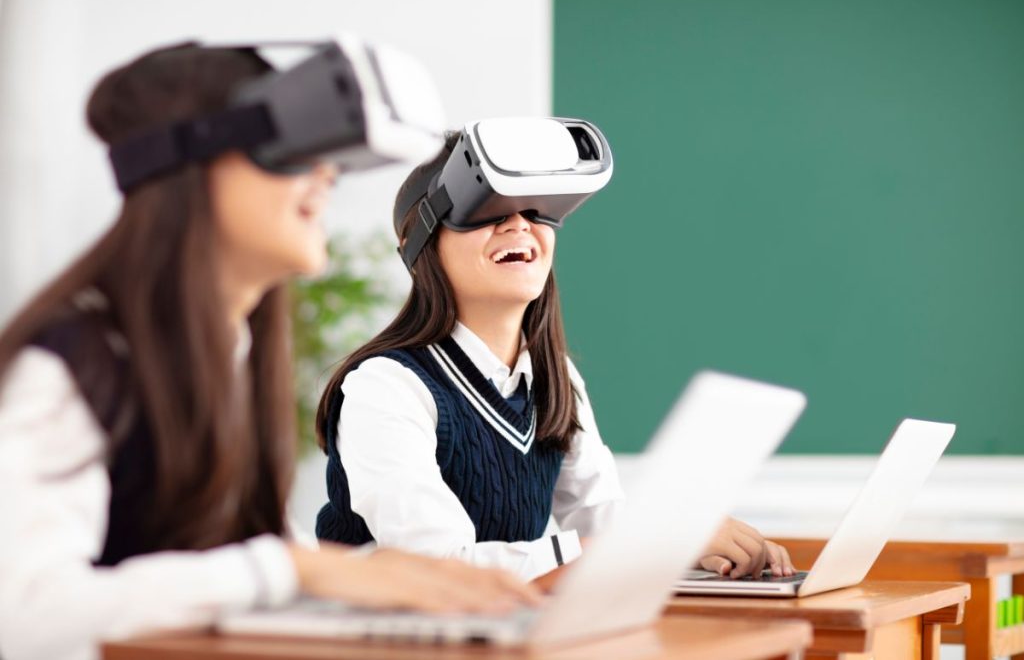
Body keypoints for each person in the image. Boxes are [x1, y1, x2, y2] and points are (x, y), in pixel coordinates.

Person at [0, 44, 537, 660]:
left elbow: (242, 567)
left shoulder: (233, 353)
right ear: (186, 167)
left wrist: (388, 587)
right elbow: (19, 613)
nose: (327, 175)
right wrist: (292, 568)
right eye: (288, 151)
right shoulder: (70, 366)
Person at [315, 131, 796, 584]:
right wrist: (644, 546)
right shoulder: (386, 387)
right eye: (485, 209)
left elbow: (599, 514)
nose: (518, 224)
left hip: (507, 628)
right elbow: (440, 567)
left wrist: (687, 541)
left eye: (534, 209)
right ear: (418, 245)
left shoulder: (555, 378)